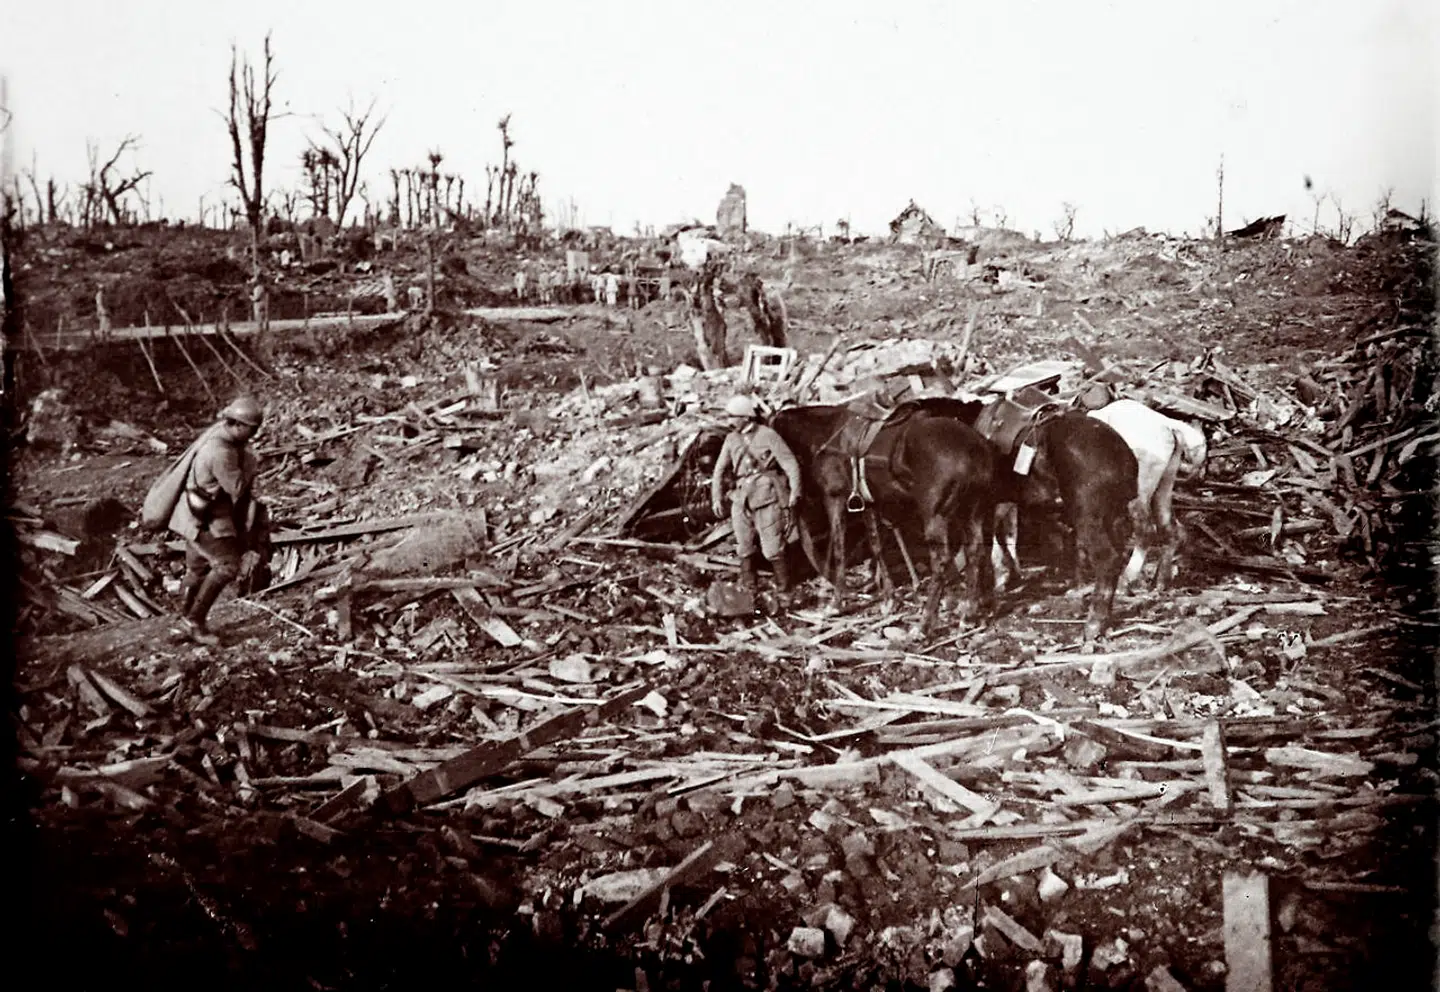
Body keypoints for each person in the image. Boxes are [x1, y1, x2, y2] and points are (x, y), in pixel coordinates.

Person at [169, 395, 266, 646]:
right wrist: (251, 466)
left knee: (198, 567)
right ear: (238, 425)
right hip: (207, 518)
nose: (254, 435)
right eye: (252, 429)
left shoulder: (217, 435)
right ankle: (194, 622)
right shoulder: (221, 452)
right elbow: (236, 488)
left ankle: (182, 622)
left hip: (191, 515)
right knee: (227, 566)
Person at [710, 394, 803, 609]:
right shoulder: (731, 439)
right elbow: (719, 470)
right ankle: (749, 590)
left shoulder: (768, 435)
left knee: (772, 549)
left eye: (732, 417)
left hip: (767, 497)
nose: (728, 421)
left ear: (746, 417)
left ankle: (785, 593)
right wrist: (716, 497)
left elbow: (790, 464)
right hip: (741, 499)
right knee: (744, 547)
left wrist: (794, 492)